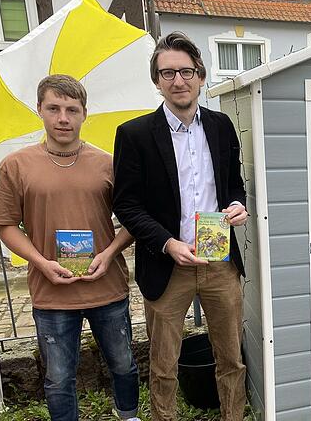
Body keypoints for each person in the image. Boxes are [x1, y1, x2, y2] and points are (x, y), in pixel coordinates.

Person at [113, 32, 248, 420]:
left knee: (231, 358)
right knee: (164, 366)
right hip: (167, 265)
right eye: (167, 72)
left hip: (218, 260)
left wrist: (237, 205)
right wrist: (167, 243)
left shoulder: (221, 127)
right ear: (156, 81)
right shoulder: (134, 134)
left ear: (200, 75)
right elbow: (126, 204)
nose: (178, 80)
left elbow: (233, 184)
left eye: (186, 71)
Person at [0, 74, 139, 421]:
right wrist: (40, 262)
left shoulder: (108, 163)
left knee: (124, 364)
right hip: (51, 292)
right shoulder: (15, 165)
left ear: (84, 113)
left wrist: (109, 253)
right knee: (58, 378)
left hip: (107, 286)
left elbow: (134, 218)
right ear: (39, 110)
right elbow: (5, 225)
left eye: (72, 109)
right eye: (54, 108)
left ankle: (129, 414)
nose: (63, 118)